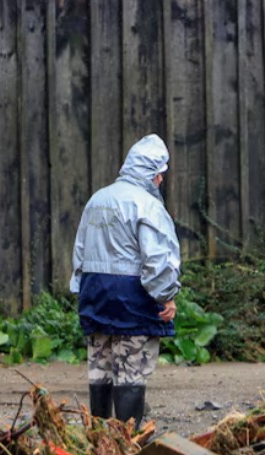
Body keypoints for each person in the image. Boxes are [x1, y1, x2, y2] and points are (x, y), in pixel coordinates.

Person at [70, 134, 181, 427]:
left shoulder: (98, 199)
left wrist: (79, 287)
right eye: (159, 175)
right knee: (132, 365)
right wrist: (166, 295)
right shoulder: (147, 205)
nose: (160, 181)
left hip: (95, 293)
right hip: (132, 295)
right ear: (151, 174)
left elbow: (80, 250)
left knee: (100, 365)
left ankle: (98, 440)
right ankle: (126, 444)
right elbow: (156, 259)